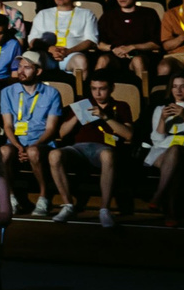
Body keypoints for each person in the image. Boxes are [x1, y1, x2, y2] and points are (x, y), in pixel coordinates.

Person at [53, 73, 137, 227]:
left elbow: (128, 135)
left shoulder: (121, 106)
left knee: (107, 155)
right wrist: (76, 117)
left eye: (102, 89)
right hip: (79, 148)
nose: (97, 93)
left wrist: (106, 117)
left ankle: (104, 209)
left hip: (104, 149)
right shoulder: (82, 104)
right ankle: (68, 205)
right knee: (54, 154)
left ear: (111, 88)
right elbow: (62, 133)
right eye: (94, 89)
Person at [0, 53, 66, 218]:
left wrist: (34, 145)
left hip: (41, 143)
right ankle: (11, 197)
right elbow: (7, 125)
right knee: (3, 152)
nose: (21, 71)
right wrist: (17, 145)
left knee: (33, 152)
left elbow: (51, 129)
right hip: (16, 142)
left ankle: (44, 197)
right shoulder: (7, 92)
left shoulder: (52, 94)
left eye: (27, 67)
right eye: (20, 66)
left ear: (38, 71)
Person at [143, 70, 184, 227]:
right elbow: (157, 141)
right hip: (162, 150)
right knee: (174, 157)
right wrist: (162, 119)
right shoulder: (161, 109)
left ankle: (158, 196)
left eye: (183, 86)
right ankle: (171, 213)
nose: (178, 91)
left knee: (176, 154)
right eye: (174, 87)